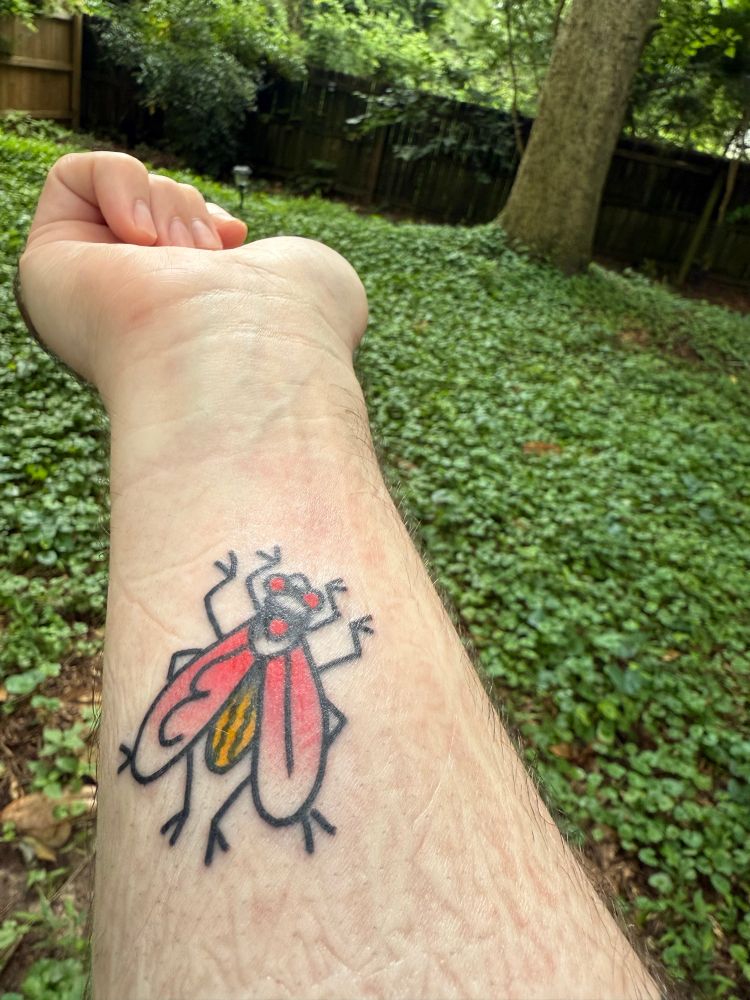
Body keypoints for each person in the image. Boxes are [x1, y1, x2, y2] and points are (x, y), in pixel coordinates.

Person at [17, 151, 662, 1000]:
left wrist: (234, 347)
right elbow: (295, 654)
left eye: (288, 601)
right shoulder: (288, 638)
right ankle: (202, 804)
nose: (285, 601)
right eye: (289, 600)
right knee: (247, 719)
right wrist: (204, 342)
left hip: (248, 679)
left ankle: (196, 805)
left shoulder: (258, 625)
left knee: (223, 719)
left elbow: (236, 617)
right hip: (261, 682)